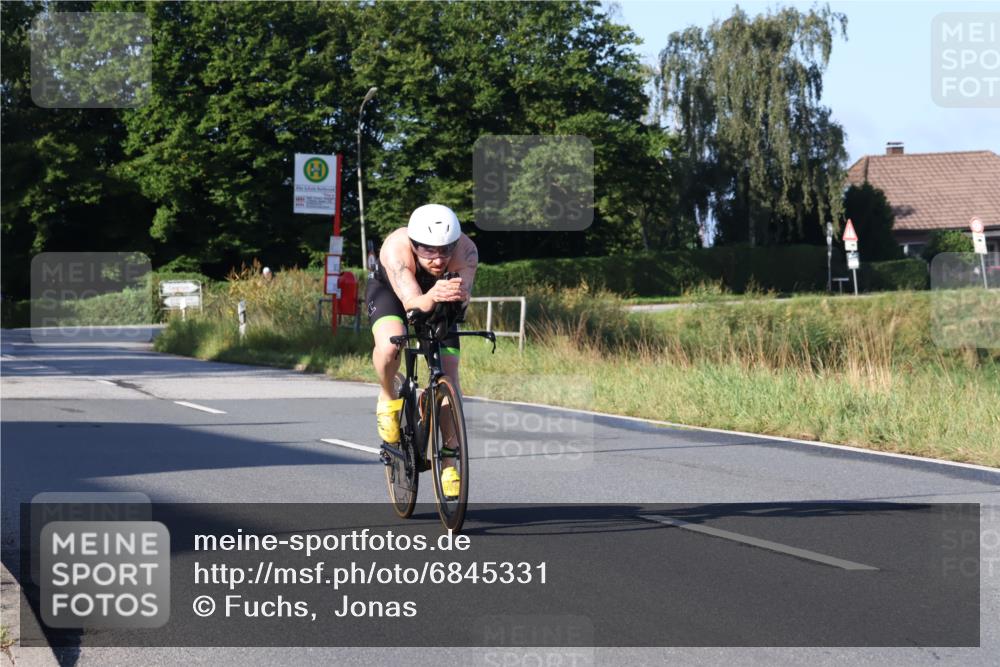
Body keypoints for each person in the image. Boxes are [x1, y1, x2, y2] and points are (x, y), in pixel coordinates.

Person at [365, 204, 478, 496]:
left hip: (438, 298)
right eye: (429, 250)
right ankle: (388, 399)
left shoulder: (466, 250)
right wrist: (432, 296)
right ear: (414, 244)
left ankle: (449, 460)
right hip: (393, 294)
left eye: (445, 250)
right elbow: (412, 302)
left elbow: (461, 301)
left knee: (449, 377)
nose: (439, 259)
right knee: (392, 344)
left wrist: (454, 299)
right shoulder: (395, 249)